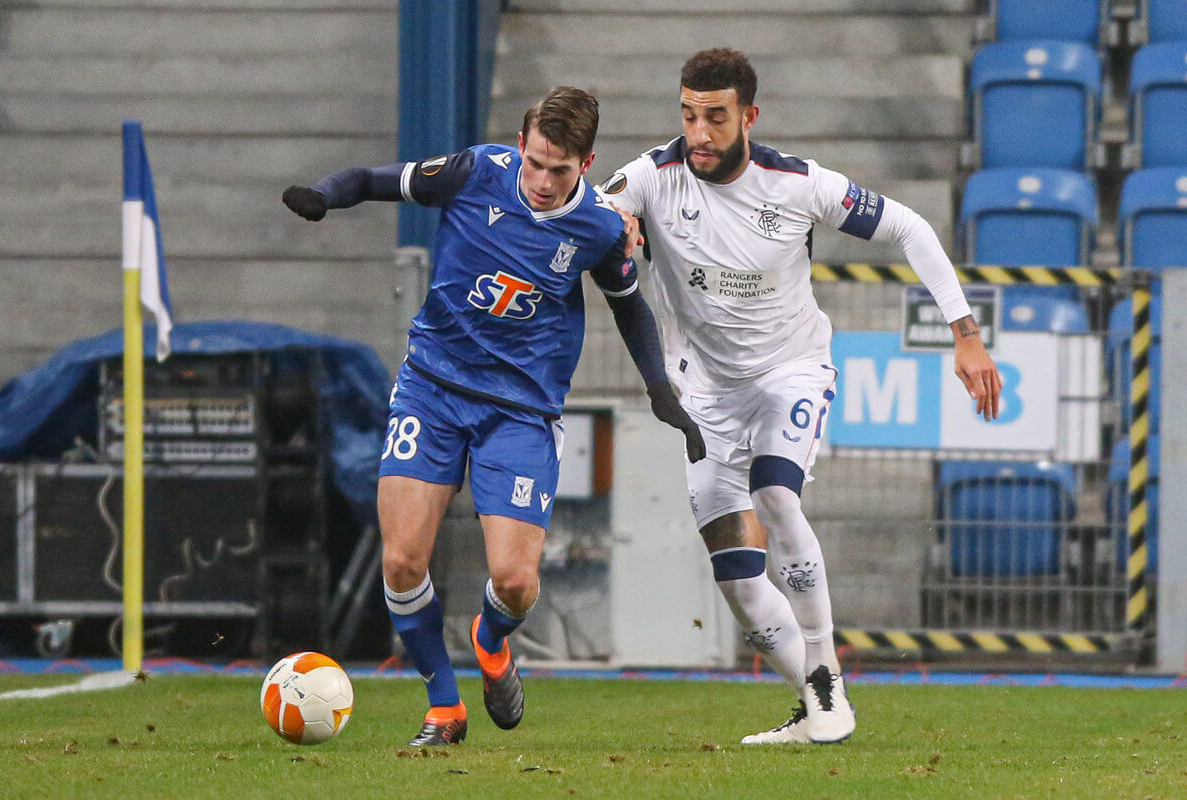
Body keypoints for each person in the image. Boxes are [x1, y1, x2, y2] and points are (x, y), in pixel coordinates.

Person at [600, 49, 1002, 745]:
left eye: (716, 117)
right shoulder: (652, 177)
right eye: (689, 114)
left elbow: (910, 228)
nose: (699, 132)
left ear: (749, 117)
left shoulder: (798, 185)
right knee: (739, 583)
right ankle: (816, 705)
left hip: (791, 374)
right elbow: (602, 212)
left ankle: (823, 669)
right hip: (705, 401)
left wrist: (965, 332)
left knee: (777, 496)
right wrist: (613, 225)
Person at [283, 87, 705, 747]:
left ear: (586, 163)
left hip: (521, 410)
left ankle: (489, 639)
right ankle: (444, 709)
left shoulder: (598, 225)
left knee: (513, 581)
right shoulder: (473, 172)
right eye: (534, 162)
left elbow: (629, 304)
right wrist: (323, 196)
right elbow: (370, 179)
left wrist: (658, 385)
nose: (541, 181)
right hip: (432, 387)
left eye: (559, 170)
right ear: (520, 145)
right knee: (401, 561)